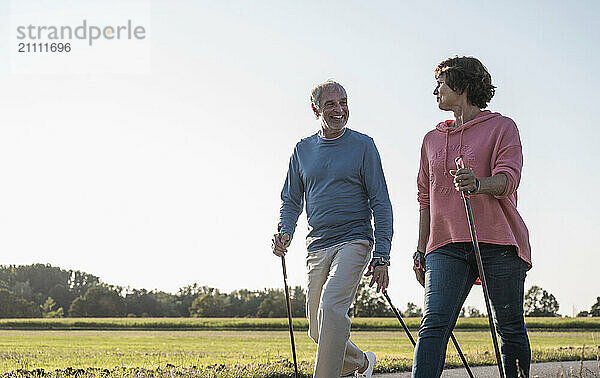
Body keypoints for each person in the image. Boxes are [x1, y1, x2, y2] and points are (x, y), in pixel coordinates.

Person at [412, 56, 532, 378]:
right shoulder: (431, 140)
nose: (435, 90)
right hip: (446, 246)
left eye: (441, 83)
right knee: (434, 323)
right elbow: (425, 198)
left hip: (498, 242)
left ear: (462, 86)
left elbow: (508, 179)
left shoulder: (503, 127)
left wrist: (479, 184)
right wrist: (420, 248)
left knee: (508, 326)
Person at [272, 80, 393, 378]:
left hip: (355, 239)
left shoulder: (363, 145)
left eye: (343, 102)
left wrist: (382, 254)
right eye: (331, 104)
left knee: (331, 307)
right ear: (315, 110)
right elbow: (291, 199)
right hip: (317, 244)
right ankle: (361, 363)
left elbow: (381, 201)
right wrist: (285, 231)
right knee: (318, 328)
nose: (340, 109)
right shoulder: (302, 150)